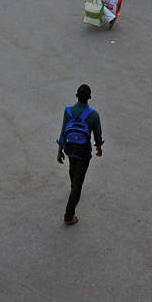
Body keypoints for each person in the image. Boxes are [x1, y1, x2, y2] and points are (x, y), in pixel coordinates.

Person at [56, 83, 104, 226]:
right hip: (83, 152)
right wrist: (99, 149)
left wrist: (60, 151)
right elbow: (97, 136)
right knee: (78, 183)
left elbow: (63, 131)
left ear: (76, 96)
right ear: (89, 98)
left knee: (72, 168)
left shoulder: (68, 111)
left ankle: (73, 188)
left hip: (70, 149)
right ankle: (68, 216)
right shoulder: (93, 115)